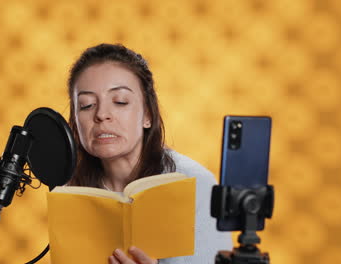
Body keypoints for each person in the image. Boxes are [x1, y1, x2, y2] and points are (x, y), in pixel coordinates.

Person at [66, 43, 232, 264]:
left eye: (120, 101)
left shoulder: (197, 185)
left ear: (148, 115)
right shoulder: (72, 190)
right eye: (86, 105)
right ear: (75, 122)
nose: (102, 114)